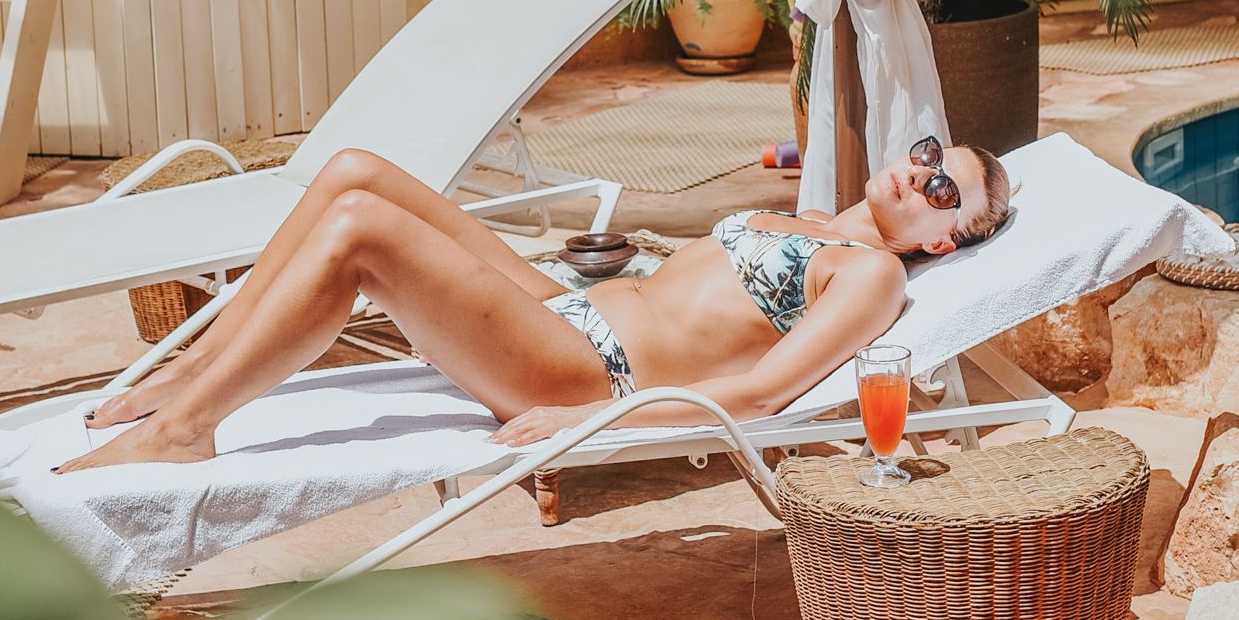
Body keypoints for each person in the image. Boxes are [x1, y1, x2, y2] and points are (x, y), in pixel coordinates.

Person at [61, 135, 1015, 470]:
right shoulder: (811, 216)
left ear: (940, 241)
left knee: (360, 232)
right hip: (574, 306)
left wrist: (593, 419)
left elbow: (765, 396)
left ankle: (186, 426)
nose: (924, 177)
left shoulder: (873, 276)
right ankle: (195, 366)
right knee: (358, 172)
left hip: (588, 370)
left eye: (946, 195)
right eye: (932, 157)